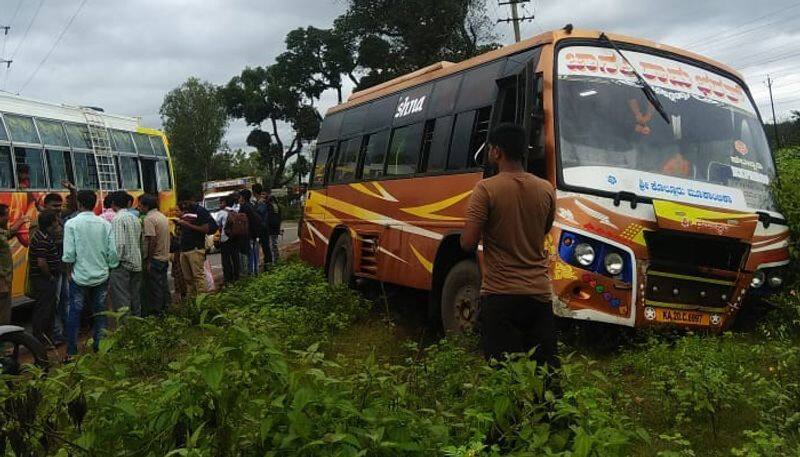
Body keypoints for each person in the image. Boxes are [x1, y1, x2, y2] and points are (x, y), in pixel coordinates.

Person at [460, 123, 558, 369]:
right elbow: (543, 230)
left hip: (501, 295)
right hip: (539, 295)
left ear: (496, 152)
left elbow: (468, 242)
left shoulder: (486, 189)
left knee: (503, 375)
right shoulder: (546, 189)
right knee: (545, 377)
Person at [62, 190, 119, 356]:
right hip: (101, 276)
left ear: (79, 204)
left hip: (78, 277)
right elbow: (113, 253)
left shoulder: (71, 224)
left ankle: (71, 352)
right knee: (100, 313)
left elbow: (69, 254)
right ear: (94, 204)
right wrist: (109, 268)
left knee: (75, 313)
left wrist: (68, 273)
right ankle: (99, 347)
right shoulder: (105, 224)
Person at [174, 190, 216, 297]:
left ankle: (202, 300)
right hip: (184, 249)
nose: (184, 205)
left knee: (198, 277)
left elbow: (206, 229)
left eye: (186, 202)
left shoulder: (201, 211)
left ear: (192, 199)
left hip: (196, 248)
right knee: (188, 279)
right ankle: (192, 302)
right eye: (182, 203)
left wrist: (187, 225)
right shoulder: (186, 211)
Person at [28, 211, 61, 345]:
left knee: (46, 309)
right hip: (44, 280)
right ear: (51, 222)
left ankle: (45, 338)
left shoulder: (41, 235)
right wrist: (50, 277)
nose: (58, 222)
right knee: (44, 310)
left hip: (43, 279)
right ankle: (41, 341)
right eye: (56, 219)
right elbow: (42, 262)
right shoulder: (42, 239)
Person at [109, 191, 142, 317]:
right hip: (136, 262)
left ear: (113, 204)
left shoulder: (118, 219)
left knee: (122, 302)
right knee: (135, 299)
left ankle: (126, 331)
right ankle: (138, 326)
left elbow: (119, 246)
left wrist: (112, 264)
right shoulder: (134, 218)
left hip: (123, 265)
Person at [140, 193, 171, 315]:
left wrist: (148, 260)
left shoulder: (149, 219)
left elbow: (151, 240)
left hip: (155, 258)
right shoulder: (161, 216)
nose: (139, 208)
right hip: (164, 256)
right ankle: (167, 308)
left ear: (146, 206)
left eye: (141, 205)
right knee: (163, 285)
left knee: (154, 288)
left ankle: (158, 313)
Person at [0, 205, 30, 324]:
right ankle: (5, 340)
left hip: (5, 280)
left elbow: (8, 234)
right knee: (3, 314)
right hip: (2, 281)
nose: (8, 218)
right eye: (6, 215)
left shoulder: (1, 233)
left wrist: (20, 222)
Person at [217, 194, 245, 284]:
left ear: (225, 203)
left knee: (226, 259)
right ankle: (237, 276)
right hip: (236, 237)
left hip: (225, 239)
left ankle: (228, 279)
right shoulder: (236, 211)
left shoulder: (221, 213)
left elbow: (217, 224)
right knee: (235, 257)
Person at [238, 189, 262, 276]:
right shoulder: (251, 205)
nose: (239, 199)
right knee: (254, 253)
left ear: (243, 198)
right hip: (254, 233)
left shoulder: (244, 207)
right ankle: (255, 272)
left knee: (250, 253)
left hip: (249, 234)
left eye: (240, 197)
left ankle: (251, 273)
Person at [254, 189, 272, 269]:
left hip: (263, 228)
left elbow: (258, 213)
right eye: (261, 194)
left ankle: (268, 263)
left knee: (265, 247)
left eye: (264, 194)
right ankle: (267, 262)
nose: (262, 196)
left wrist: (258, 204)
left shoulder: (263, 204)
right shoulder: (264, 203)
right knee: (265, 247)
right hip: (263, 227)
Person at [266, 193, 282, 264]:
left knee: (272, 245)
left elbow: (269, 218)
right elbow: (279, 218)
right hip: (276, 228)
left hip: (271, 228)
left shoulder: (269, 206)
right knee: (274, 244)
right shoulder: (278, 207)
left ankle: (274, 261)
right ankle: (277, 259)